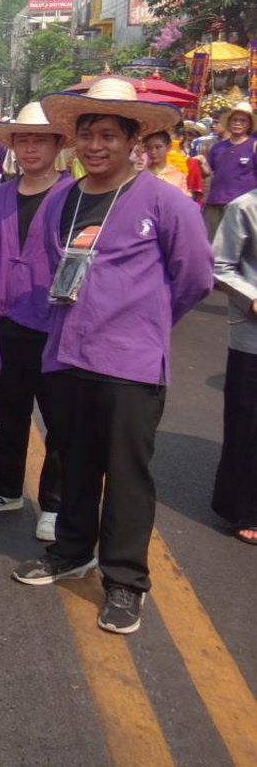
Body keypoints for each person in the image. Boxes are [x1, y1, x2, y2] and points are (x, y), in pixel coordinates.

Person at [12, 77, 212, 635]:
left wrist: (148, 322)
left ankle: (125, 581)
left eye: (107, 135)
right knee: (73, 461)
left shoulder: (165, 202)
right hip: (67, 354)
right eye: (86, 135)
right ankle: (72, 551)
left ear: (134, 140)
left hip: (131, 363)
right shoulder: (67, 199)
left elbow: (194, 276)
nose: (95, 145)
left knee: (126, 476)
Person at [0, 103, 72, 541]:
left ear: (57, 144)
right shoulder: (1, 196)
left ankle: (55, 503)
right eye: (22, 139)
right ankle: (6, 488)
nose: (30, 148)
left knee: (60, 419)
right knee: (9, 413)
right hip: (6, 322)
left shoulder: (73, 195)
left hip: (56, 325)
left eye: (39, 139)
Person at [211, 185, 257, 546]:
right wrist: (253, 299)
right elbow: (220, 266)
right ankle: (246, 508)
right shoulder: (245, 207)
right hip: (252, 338)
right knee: (247, 423)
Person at [200, 101, 257, 239]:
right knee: (212, 242)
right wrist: (201, 163)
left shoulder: (253, 146)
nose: (238, 123)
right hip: (215, 202)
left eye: (242, 121)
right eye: (235, 120)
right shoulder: (217, 147)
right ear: (229, 123)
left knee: (238, 245)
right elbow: (207, 173)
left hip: (242, 205)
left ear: (248, 125)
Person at [143, 130, 189, 196]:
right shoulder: (141, 174)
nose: (153, 152)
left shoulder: (177, 174)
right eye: (149, 148)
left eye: (158, 147)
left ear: (168, 147)